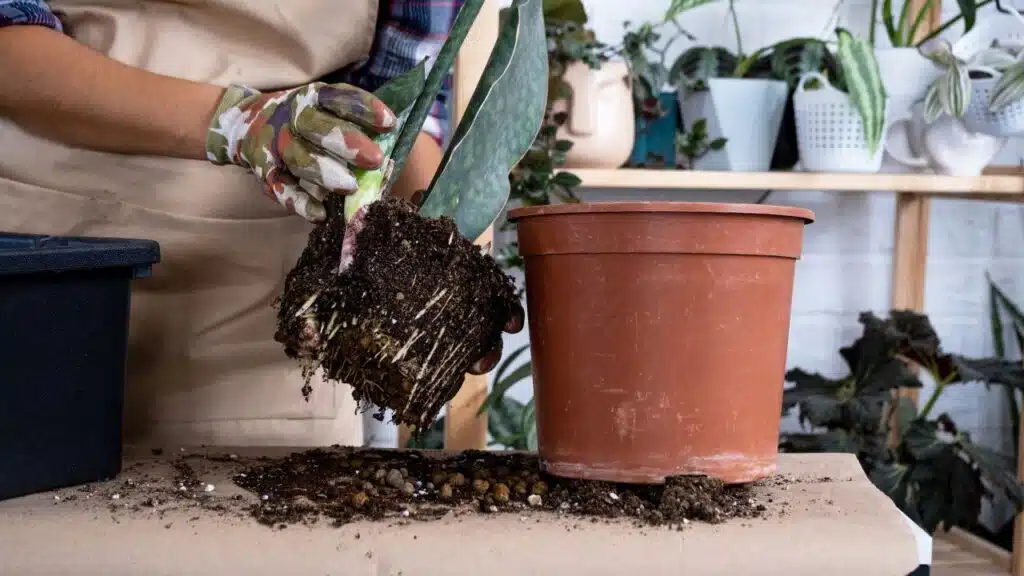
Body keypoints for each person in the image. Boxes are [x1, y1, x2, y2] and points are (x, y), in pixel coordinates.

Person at [0, 0, 516, 448]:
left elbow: (397, 105)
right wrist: (236, 121)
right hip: (43, 264)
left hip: (260, 313)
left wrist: (440, 263)